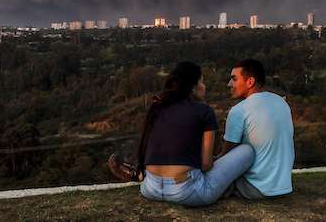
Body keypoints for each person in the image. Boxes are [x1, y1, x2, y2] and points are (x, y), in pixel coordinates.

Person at [109, 61, 254, 207]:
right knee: (247, 151)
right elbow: (205, 165)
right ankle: (226, 188)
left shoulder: (157, 107)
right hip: (187, 192)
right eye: (202, 82)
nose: (205, 86)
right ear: (193, 88)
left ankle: (139, 175)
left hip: (150, 190)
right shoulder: (205, 112)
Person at [217, 58, 295, 199]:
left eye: (234, 79)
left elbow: (225, 158)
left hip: (256, 189)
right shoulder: (281, 101)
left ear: (250, 82)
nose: (229, 84)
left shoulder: (239, 110)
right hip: (283, 187)